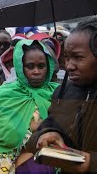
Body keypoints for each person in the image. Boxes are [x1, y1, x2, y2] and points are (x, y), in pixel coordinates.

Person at [0, 39, 59, 173]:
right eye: (30, 66)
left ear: (49, 67)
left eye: (41, 66)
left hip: (44, 159)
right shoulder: (6, 93)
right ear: (20, 67)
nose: (36, 71)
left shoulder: (57, 92)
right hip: (2, 158)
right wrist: (31, 130)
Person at [26, 17, 97, 173]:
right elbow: (39, 133)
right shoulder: (64, 92)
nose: (69, 66)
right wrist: (47, 134)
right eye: (67, 57)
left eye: (78, 57)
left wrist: (90, 163)